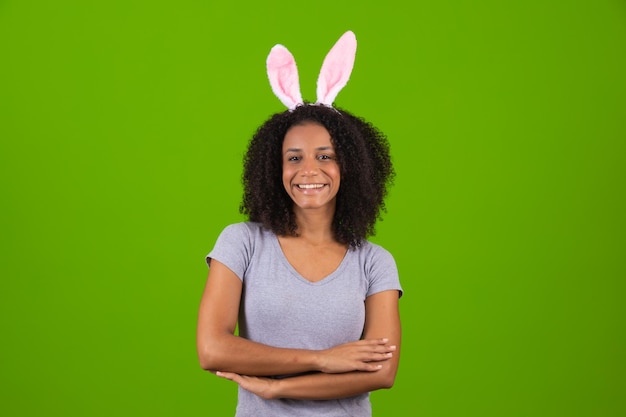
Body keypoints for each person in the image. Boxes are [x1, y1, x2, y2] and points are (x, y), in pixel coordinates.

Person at [196, 31, 403, 417]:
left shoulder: (375, 262)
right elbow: (212, 349)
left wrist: (280, 390)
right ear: (274, 169)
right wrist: (325, 359)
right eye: (294, 158)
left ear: (349, 167)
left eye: (325, 156)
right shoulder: (242, 243)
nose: (309, 170)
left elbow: (382, 371)